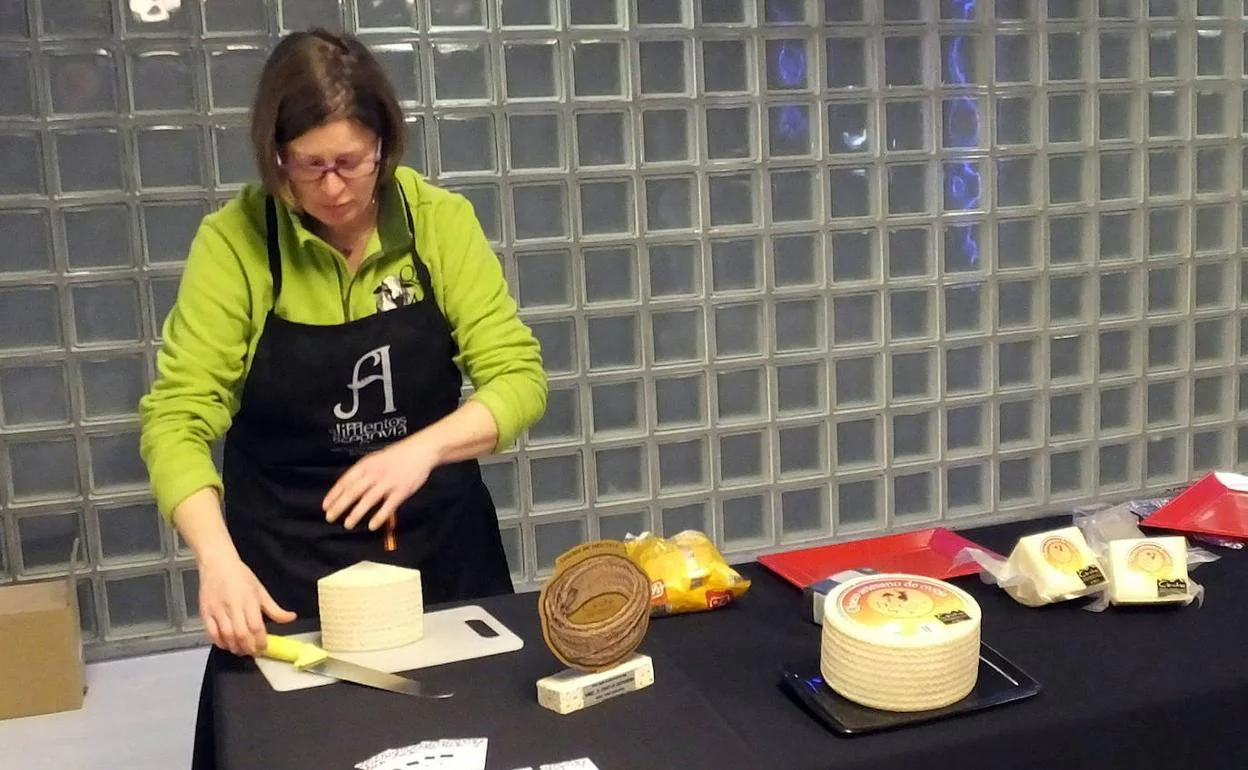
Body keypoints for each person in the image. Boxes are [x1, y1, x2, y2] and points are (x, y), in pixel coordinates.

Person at [137, 27, 546, 750]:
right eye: (308, 166)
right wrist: (217, 559)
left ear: (385, 145)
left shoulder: (439, 224)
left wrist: (421, 449)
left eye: (350, 163)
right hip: (289, 562)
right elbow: (176, 419)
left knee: (470, 742)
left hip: (440, 553)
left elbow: (517, 378)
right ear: (276, 157)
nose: (332, 188)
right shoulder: (234, 243)